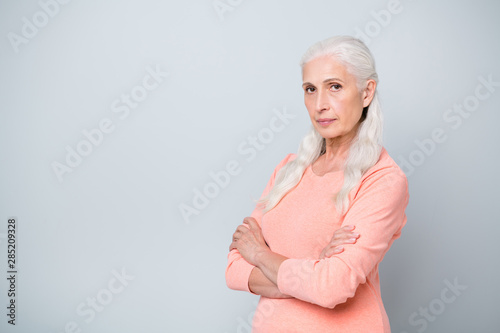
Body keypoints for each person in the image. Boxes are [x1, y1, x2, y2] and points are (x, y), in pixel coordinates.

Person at [225, 36, 409, 333]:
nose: (320, 104)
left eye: (335, 86)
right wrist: (314, 268)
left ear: (366, 92)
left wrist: (260, 256)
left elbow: (331, 287)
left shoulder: (383, 180)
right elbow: (234, 270)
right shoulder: (288, 170)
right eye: (310, 90)